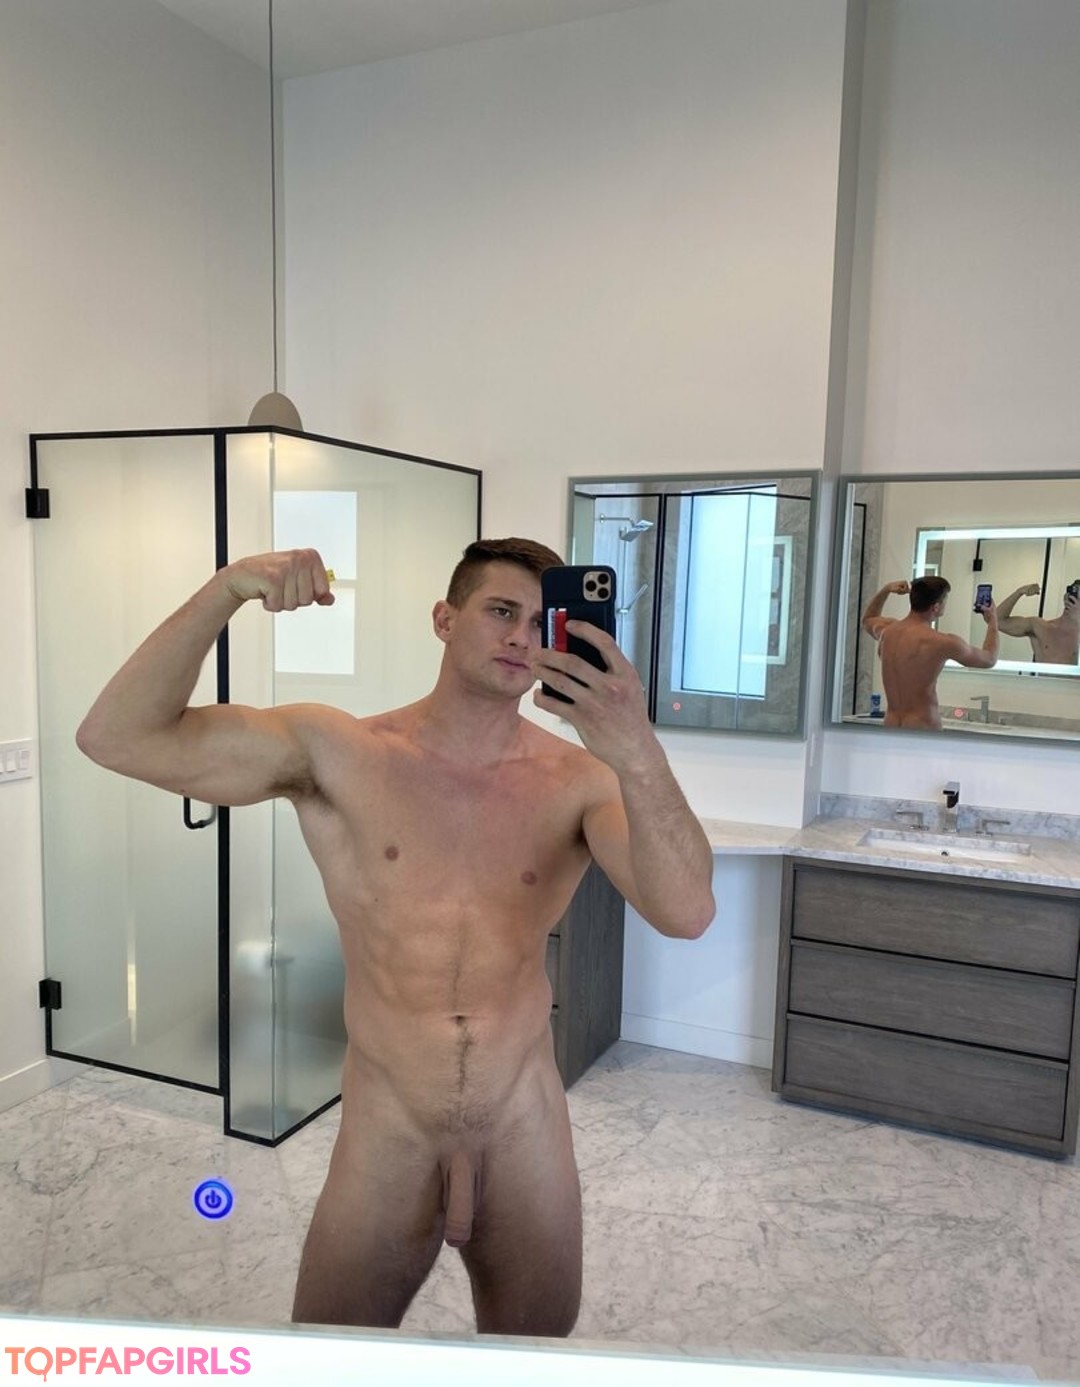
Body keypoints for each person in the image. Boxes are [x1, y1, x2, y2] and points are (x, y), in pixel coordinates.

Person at [76, 539, 715, 1336]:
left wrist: (635, 746)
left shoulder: (580, 781)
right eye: (500, 611)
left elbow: (688, 911)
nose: (521, 637)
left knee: (534, 1361)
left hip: (524, 1125)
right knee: (330, 1355)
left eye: (537, 621)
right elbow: (116, 736)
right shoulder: (339, 753)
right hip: (387, 1128)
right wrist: (225, 590)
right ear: (444, 619)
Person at [860, 576, 999, 730]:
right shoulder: (941, 642)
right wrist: (993, 621)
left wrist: (886, 590)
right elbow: (989, 659)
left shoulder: (887, 631)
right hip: (922, 727)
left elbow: (868, 619)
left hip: (891, 725)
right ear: (936, 607)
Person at [994, 581, 1080, 664]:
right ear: (1066, 597)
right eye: (1075, 595)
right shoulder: (1041, 627)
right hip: (1042, 675)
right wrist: (1019, 592)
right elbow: (997, 621)